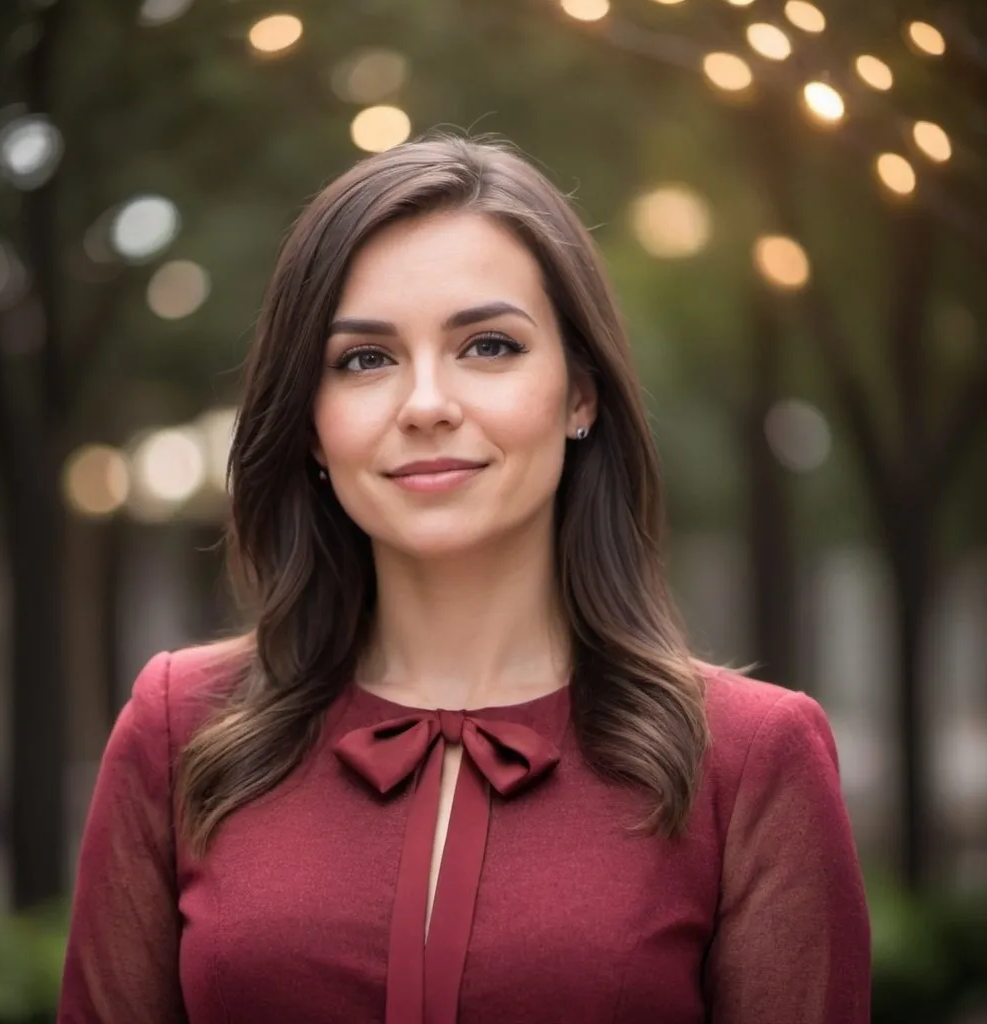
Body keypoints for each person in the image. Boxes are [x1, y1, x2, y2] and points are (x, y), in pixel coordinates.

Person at [58, 135, 870, 1023]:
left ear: (580, 395)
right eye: (365, 359)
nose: (427, 404)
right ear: (310, 426)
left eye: (488, 345)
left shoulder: (749, 761)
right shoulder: (181, 729)